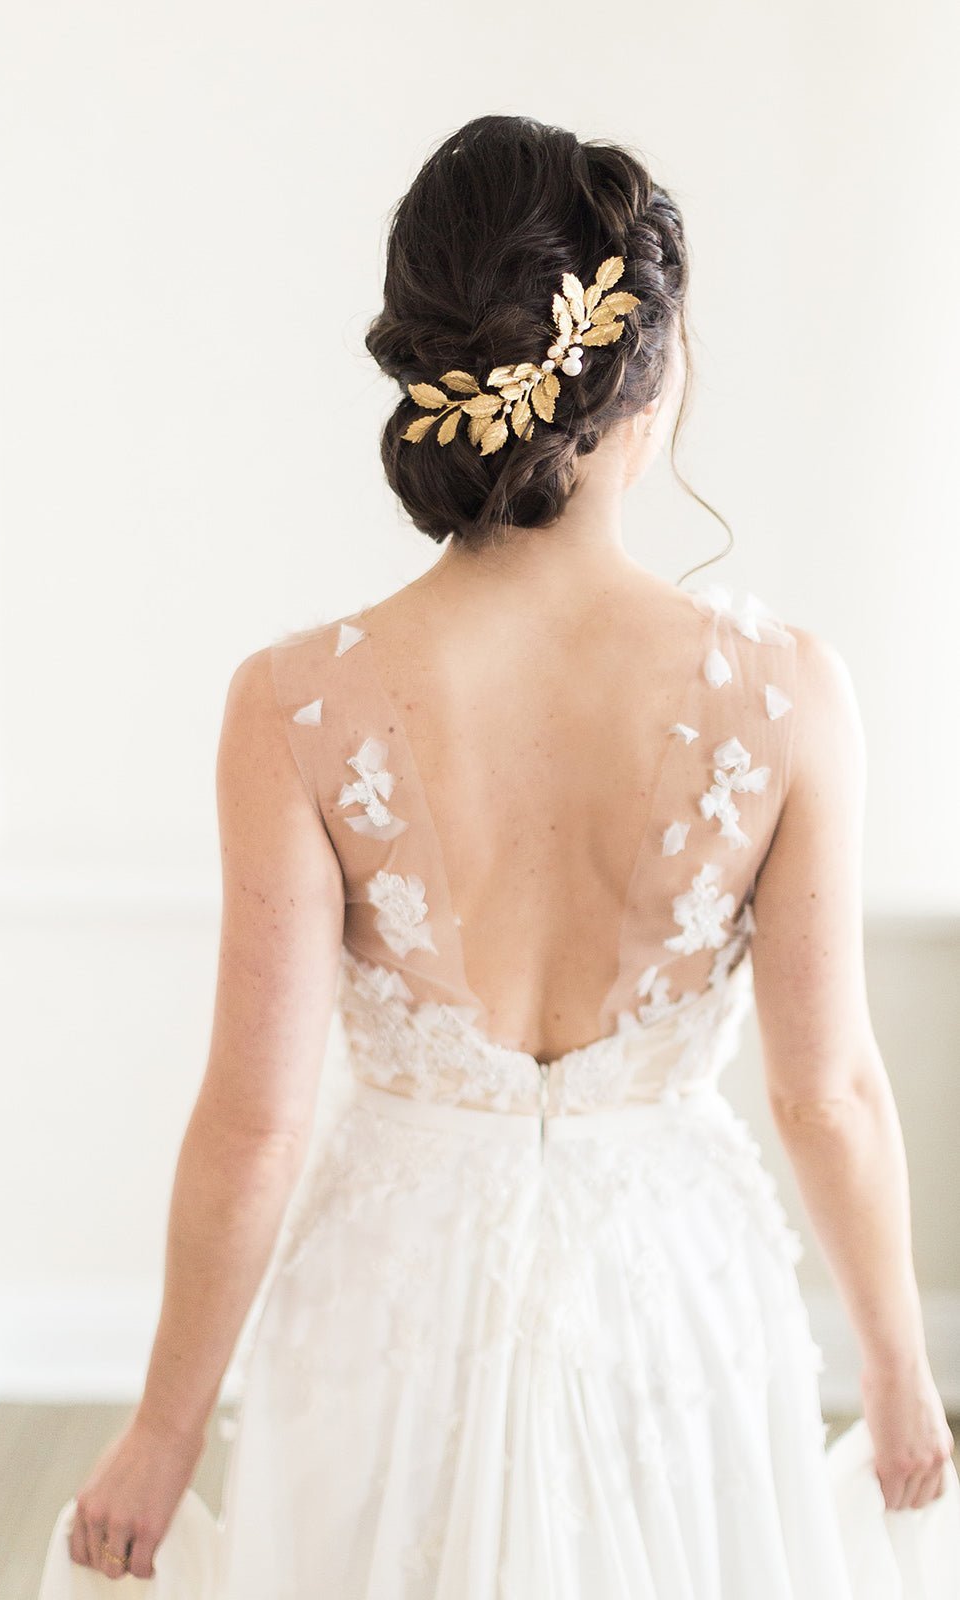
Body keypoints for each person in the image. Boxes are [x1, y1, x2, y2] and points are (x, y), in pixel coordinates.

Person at [50, 114, 957, 1595]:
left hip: (392, 1313)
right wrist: (905, 1377)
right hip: (671, 1308)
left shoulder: (293, 703)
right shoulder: (791, 694)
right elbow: (829, 1093)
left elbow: (254, 1125)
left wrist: (161, 1434)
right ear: (644, 383)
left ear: (432, 370)